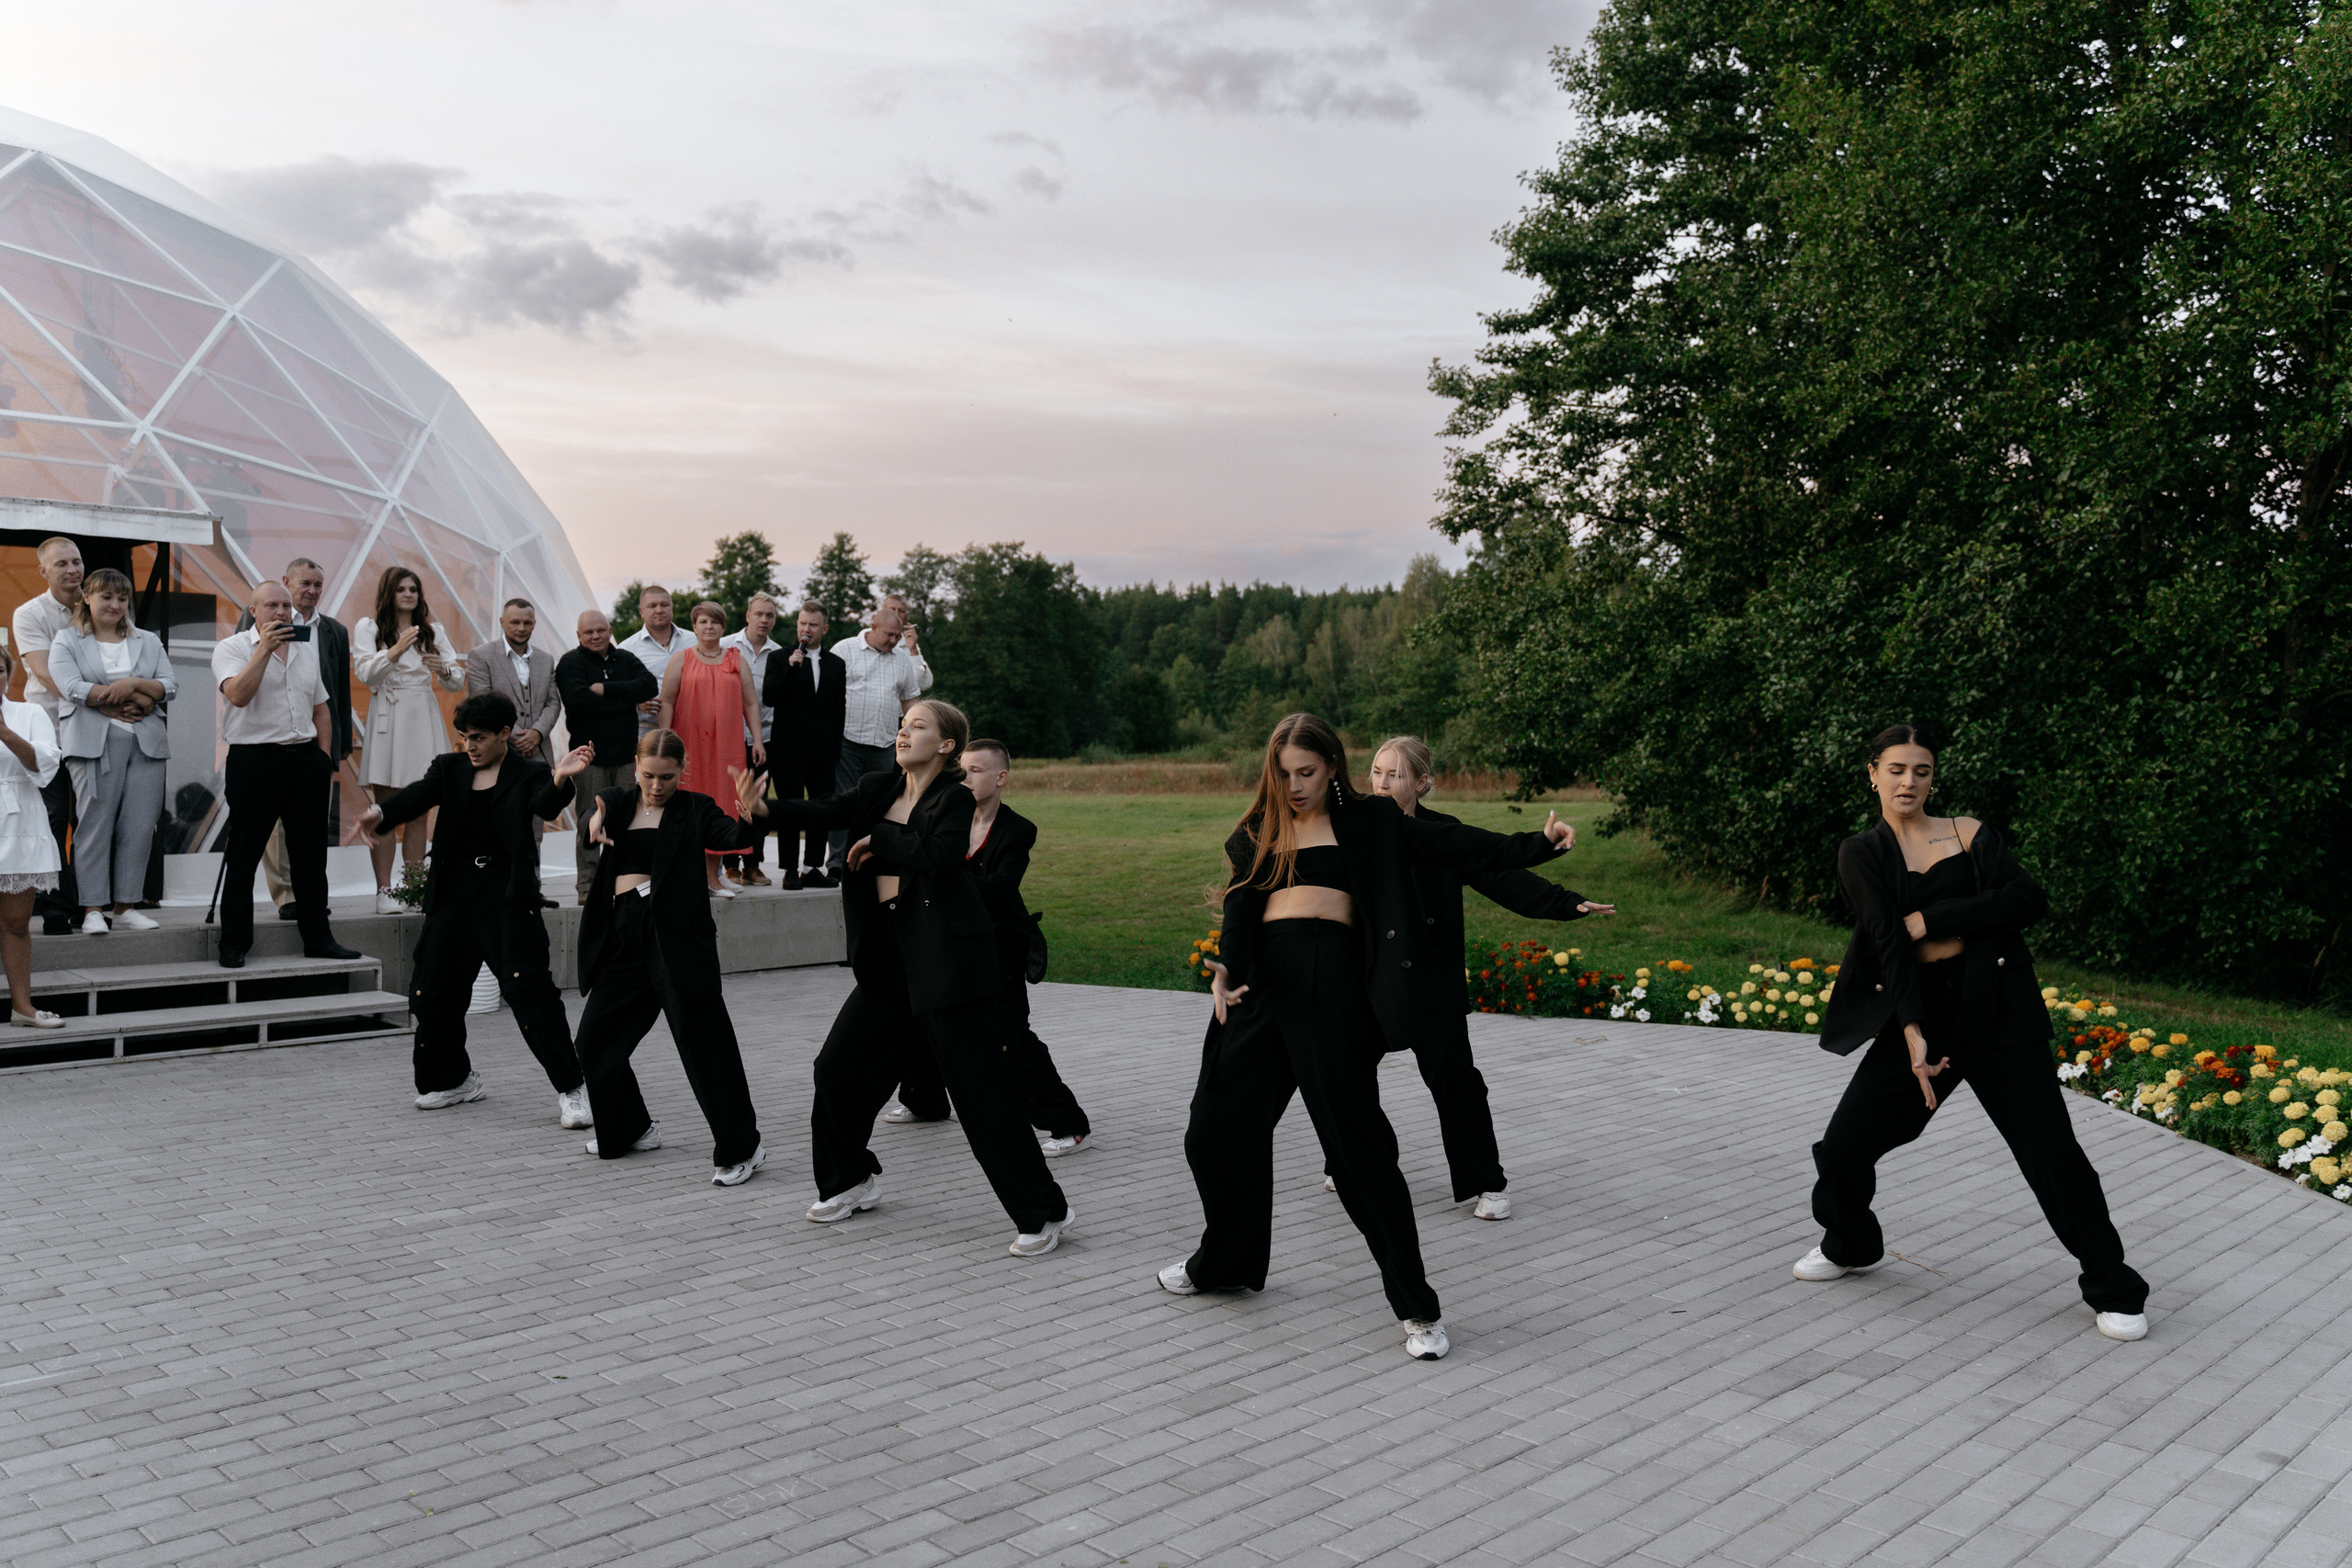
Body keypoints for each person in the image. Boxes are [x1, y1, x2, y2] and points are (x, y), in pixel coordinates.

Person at [1167, 713, 1573, 1362]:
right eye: (1283, 772)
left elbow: (1456, 845)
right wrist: (1225, 973)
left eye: (1307, 771)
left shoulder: (1371, 820)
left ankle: (1418, 1306)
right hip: (1260, 993)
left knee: (1358, 1155)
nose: (1294, 785)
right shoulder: (1256, 830)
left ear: (1332, 767)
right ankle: (1226, 1261)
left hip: (1332, 987)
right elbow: (1242, 911)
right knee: (1212, 1131)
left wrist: (1539, 843)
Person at [1799, 724, 2151, 1340]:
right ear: (1873, 772)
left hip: (1997, 1008)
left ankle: (2113, 1286)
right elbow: (1887, 941)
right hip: (1921, 1010)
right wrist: (1911, 1031)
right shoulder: (1863, 851)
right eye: (1898, 769)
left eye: (1923, 770)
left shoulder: (1969, 832)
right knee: (1845, 1145)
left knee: (2051, 1154)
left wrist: (1932, 917)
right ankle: (1852, 1242)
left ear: (1934, 777)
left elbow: (2025, 898)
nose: (1910, 781)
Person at [766, 699, 1074, 1257]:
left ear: (948, 745)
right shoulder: (877, 788)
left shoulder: (954, 797)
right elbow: (824, 810)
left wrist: (879, 840)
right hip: (888, 961)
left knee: (980, 1093)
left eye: (919, 728)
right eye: (902, 727)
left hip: (945, 962)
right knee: (836, 1068)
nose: (904, 735)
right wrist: (762, 813)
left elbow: (940, 853)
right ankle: (849, 1180)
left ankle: (1046, 1211)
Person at [1351, 735, 1614, 1219]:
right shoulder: (1355, 830)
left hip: (1431, 982)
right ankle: (1350, 1162)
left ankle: (1486, 1184)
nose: (1382, 783)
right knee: (1347, 1078)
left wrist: (1564, 902)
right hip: (1368, 978)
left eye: (1396, 774)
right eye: (1376, 772)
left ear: (1423, 782)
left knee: (1457, 1082)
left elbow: (1500, 873)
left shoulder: (1442, 833)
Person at [358, 692, 594, 1119]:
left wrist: (561, 778)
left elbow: (544, 803)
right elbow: (419, 795)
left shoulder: (528, 773)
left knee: (528, 991)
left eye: (479, 737)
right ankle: (451, 1081)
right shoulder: (449, 769)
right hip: (452, 894)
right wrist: (380, 812)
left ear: (505, 734)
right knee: (432, 992)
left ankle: (573, 1088)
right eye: (465, 737)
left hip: (505, 896)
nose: (470, 745)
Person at [574, 729, 772, 1184]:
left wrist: (750, 811)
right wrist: (592, 820)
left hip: (676, 941)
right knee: (594, 1042)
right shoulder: (619, 804)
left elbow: (731, 833)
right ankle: (631, 1128)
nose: (657, 786)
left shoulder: (695, 808)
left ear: (683, 771)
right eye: (648, 776)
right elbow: (596, 811)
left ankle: (744, 1147)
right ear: (636, 771)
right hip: (623, 935)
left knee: (706, 1048)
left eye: (667, 776)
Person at [211, 581, 362, 969]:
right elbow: (238, 695)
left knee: (311, 856)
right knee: (244, 854)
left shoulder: (307, 645)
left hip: (305, 761)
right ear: (254, 610)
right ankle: (234, 942)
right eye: (272, 606)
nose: (281, 612)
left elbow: (322, 706)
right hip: (255, 760)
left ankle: (318, 938)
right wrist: (265, 649)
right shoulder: (232, 649)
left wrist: (324, 759)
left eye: (285, 606)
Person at [50, 568, 172, 934]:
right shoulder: (67, 640)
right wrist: (131, 697)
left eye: (122, 598)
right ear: (86, 597)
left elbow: (169, 685)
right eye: (107, 597)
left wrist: (132, 684)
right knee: (93, 827)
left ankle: (125, 906)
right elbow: (71, 686)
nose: (115, 604)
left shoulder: (147, 640)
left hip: (145, 742)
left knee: (138, 827)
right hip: (91, 742)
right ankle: (91, 909)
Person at [235, 558, 356, 923]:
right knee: (274, 828)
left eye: (318, 585)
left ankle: (310, 897)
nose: (312, 591)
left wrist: (337, 746)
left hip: (314, 742)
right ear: (287, 582)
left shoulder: (333, 631)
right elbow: (244, 668)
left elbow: (338, 690)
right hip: (268, 743)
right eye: (305, 584)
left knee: (309, 828)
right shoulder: (258, 621)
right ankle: (286, 894)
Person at [353, 567, 463, 913]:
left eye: (413, 588)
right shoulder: (369, 627)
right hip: (389, 714)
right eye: (401, 589)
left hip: (422, 713)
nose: (409, 595)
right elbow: (364, 672)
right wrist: (395, 650)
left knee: (418, 812)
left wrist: (441, 669)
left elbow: (456, 681)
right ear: (390, 593)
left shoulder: (434, 631)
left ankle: (415, 890)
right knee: (386, 810)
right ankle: (384, 890)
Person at [657, 601, 763, 897]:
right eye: (703, 622)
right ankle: (701, 877)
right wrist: (663, 742)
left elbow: (750, 702)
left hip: (727, 745)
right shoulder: (682, 659)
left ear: (723, 627)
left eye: (715, 622)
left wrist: (757, 739)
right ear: (694, 626)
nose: (709, 627)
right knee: (692, 806)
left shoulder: (735, 659)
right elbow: (666, 700)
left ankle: (714, 875)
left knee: (725, 804)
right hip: (689, 744)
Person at [555, 610, 659, 903]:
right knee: (589, 817)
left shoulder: (624, 659)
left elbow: (649, 685)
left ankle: (624, 879)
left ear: (609, 630)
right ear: (579, 635)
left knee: (626, 820)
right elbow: (578, 702)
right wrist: (627, 701)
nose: (595, 636)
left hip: (626, 755)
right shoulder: (570, 663)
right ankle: (587, 885)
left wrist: (606, 689)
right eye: (588, 632)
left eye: (600, 630)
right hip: (589, 758)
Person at [825, 605, 930, 880]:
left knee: (878, 805)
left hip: (885, 743)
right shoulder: (845, 649)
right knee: (843, 801)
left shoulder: (901, 658)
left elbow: (910, 699)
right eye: (889, 635)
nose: (894, 641)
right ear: (873, 628)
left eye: (897, 636)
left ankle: (868, 858)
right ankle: (837, 861)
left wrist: (915, 731)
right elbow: (828, 693)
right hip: (848, 740)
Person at [13, 536, 82, 933]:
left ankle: (89, 906)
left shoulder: (100, 605)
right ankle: (55, 907)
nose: (72, 569)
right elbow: (43, 673)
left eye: (76, 561)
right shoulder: (30, 613)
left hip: (95, 731)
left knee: (90, 821)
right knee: (53, 820)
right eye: (62, 564)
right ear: (44, 571)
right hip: (52, 730)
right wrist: (101, 699)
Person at [0, 646, 65, 1027]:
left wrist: (5, 733)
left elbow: (46, 766)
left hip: (20, 820)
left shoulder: (29, 713)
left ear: (8, 674)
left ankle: (22, 1007)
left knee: (16, 921)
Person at [763, 601, 845, 888]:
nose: (806, 629)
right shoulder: (779, 658)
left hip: (823, 752)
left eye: (812, 624)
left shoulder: (836, 664)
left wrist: (835, 751)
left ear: (824, 628)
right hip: (787, 751)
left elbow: (839, 709)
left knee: (820, 810)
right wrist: (791, 670)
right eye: (802, 623)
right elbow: (770, 697)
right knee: (789, 809)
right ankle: (789, 869)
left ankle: (812, 867)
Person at [718, 592, 785, 887]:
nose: (764, 620)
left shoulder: (779, 653)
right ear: (747, 616)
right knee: (730, 799)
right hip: (730, 736)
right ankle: (730, 862)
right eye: (759, 614)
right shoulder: (726, 647)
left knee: (758, 800)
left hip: (764, 738)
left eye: (770, 615)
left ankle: (753, 865)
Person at [463, 599, 560, 761]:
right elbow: (484, 704)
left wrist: (537, 733)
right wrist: (519, 739)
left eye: (527, 623)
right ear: (502, 622)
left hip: (540, 752)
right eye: (515, 622)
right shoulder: (481, 656)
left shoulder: (545, 659)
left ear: (534, 624)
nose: (521, 628)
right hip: (499, 752)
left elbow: (553, 703)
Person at [618, 585, 683, 737]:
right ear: (641, 611)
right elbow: (618, 692)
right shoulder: (626, 649)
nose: (659, 610)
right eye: (652, 606)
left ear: (672, 608)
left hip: (691, 727)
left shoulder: (693, 640)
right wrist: (637, 705)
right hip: (647, 731)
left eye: (664, 605)